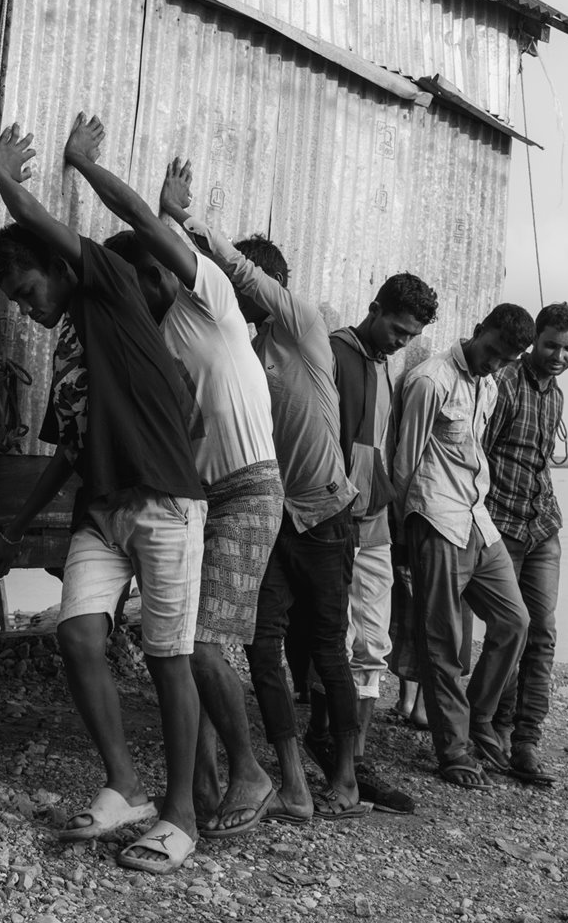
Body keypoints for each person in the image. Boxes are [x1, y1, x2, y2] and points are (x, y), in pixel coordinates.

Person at [0, 122, 205, 877]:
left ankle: (180, 817)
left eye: (27, 288)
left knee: (170, 660)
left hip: (165, 501)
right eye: (13, 299)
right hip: (103, 510)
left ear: (60, 268)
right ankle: (126, 788)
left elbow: (61, 228)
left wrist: (11, 181)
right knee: (78, 636)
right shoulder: (70, 341)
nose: (23, 306)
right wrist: (13, 530)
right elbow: (68, 448)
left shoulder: (107, 287)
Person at [54, 114, 285, 839]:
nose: (139, 284)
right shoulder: (149, 333)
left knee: (205, 643)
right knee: (179, 644)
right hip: (196, 495)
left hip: (248, 484)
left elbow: (140, 226)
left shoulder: (210, 301)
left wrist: (89, 170)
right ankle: (202, 789)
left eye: (144, 273)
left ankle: (251, 773)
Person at [160, 157, 366, 820]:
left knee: (330, 649)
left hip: (327, 515)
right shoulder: (239, 345)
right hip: (272, 512)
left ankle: (344, 777)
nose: (237, 295)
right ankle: (291, 783)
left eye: (245, 286)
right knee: (261, 646)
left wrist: (185, 218)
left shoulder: (304, 325)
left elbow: (241, 273)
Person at [390, 303, 535, 789]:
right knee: (443, 644)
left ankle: (477, 722)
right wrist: (400, 537)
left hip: (477, 519)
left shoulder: (489, 385)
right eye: (493, 352)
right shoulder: (431, 380)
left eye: (507, 360)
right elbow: (404, 461)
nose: (495, 364)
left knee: (515, 621)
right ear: (477, 331)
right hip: (435, 519)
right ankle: (452, 750)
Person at [318, 272, 439, 813]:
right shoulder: (335, 353)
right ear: (374, 308)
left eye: (411, 336)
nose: (401, 341)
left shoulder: (383, 366)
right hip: (334, 519)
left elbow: (378, 453)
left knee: (373, 645)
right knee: (335, 642)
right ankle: (335, 753)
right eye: (397, 328)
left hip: (375, 524)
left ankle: (355, 756)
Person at [475, 301, 568, 787]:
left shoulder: (556, 395)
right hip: (501, 526)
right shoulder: (503, 386)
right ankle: (491, 728)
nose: (559, 356)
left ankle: (527, 738)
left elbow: (539, 463)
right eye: (551, 346)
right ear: (533, 341)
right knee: (510, 631)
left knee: (542, 633)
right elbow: (478, 456)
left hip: (543, 528)